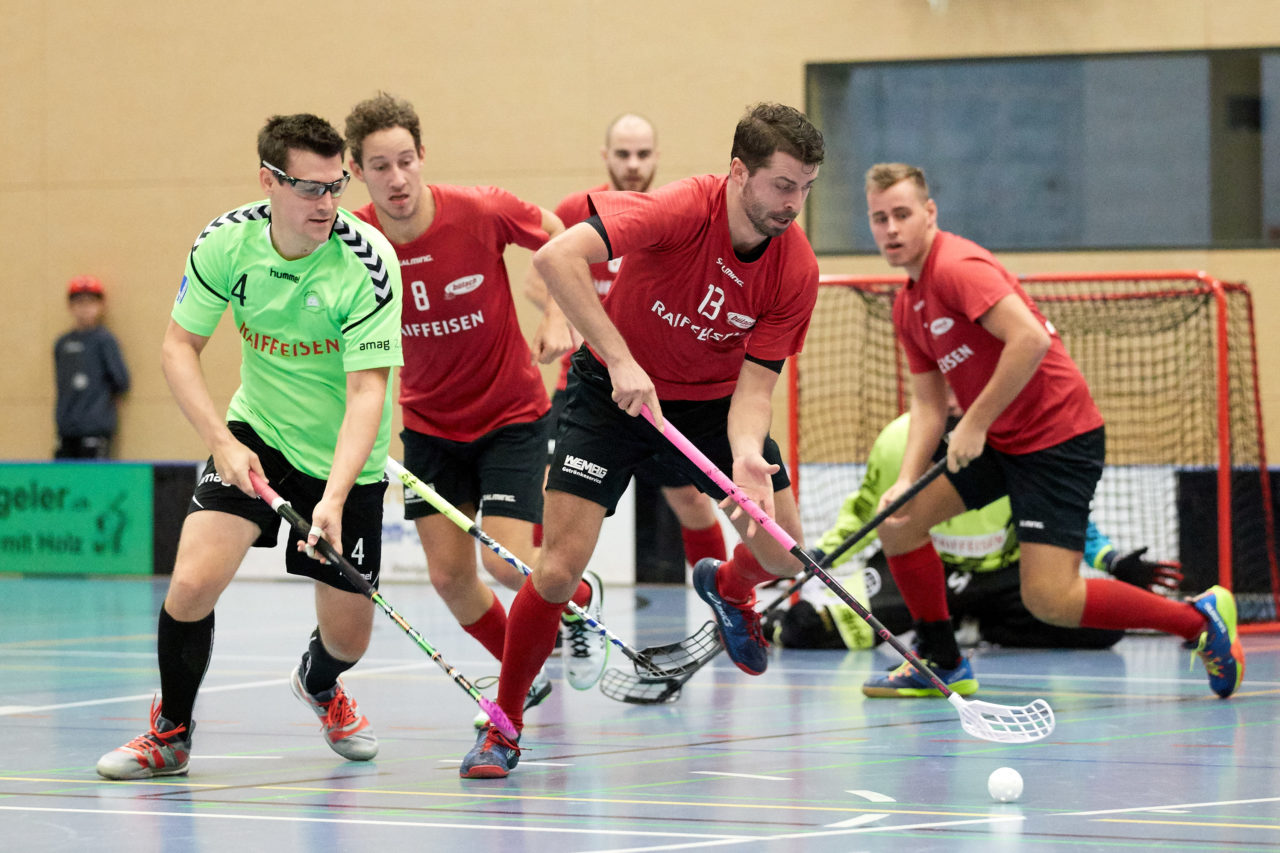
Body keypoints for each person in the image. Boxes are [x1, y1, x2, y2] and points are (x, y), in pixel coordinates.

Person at [460, 102, 825, 778]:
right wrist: (620, 356)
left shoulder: (796, 268)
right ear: (739, 172)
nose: (794, 203)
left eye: (806, 187)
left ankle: (731, 588)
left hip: (715, 405)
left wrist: (747, 453)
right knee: (559, 568)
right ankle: (505, 725)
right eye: (782, 185)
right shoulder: (682, 208)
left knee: (784, 552)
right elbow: (557, 256)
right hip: (611, 393)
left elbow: (757, 388)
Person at [857, 161, 1243, 700]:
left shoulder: (958, 268)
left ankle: (1198, 622)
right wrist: (906, 479)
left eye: (902, 214)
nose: (891, 229)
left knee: (1050, 600)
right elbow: (926, 405)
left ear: (929, 213)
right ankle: (943, 661)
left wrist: (974, 422)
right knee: (897, 521)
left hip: (1056, 439)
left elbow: (1030, 340)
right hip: (1001, 439)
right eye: (880, 218)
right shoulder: (908, 305)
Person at [96, 113, 403, 779]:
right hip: (255, 434)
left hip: (344, 460)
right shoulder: (225, 244)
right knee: (192, 582)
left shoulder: (369, 263)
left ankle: (320, 681)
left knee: (348, 637)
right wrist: (220, 442)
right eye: (308, 187)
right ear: (268, 179)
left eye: (335, 186)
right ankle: (171, 733)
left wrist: (335, 497)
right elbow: (179, 348)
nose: (327, 203)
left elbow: (366, 394)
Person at [342, 92, 604, 719]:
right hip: (429, 426)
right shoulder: (351, 240)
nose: (397, 178)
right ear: (357, 170)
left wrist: (559, 312)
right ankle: (527, 670)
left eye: (406, 160)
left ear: (424, 156)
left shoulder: (480, 210)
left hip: (510, 416)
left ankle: (582, 602)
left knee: (506, 562)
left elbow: (562, 236)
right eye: (380, 166)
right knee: (451, 579)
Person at [765, 406, 1184, 656]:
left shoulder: (1013, 443)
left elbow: (1055, 517)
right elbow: (867, 508)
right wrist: (823, 553)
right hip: (925, 569)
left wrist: (1107, 558)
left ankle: (969, 626)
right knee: (806, 628)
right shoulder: (897, 440)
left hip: (1002, 574)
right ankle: (943, 620)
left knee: (1101, 628)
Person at [532, 113, 727, 572]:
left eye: (643, 154)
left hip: (657, 388)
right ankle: (564, 608)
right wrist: (566, 319)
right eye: (623, 154)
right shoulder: (577, 207)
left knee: (693, 501)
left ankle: (725, 605)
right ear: (606, 157)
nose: (633, 164)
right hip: (588, 384)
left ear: (657, 157)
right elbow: (541, 276)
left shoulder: (672, 214)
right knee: (551, 494)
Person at [54, 275, 130, 459]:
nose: (85, 308)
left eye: (90, 302)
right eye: (79, 302)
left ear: (100, 305)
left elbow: (121, 381)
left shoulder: (104, 341)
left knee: (93, 482)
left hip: (95, 428)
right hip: (67, 429)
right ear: (70, 306)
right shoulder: (62, 344)